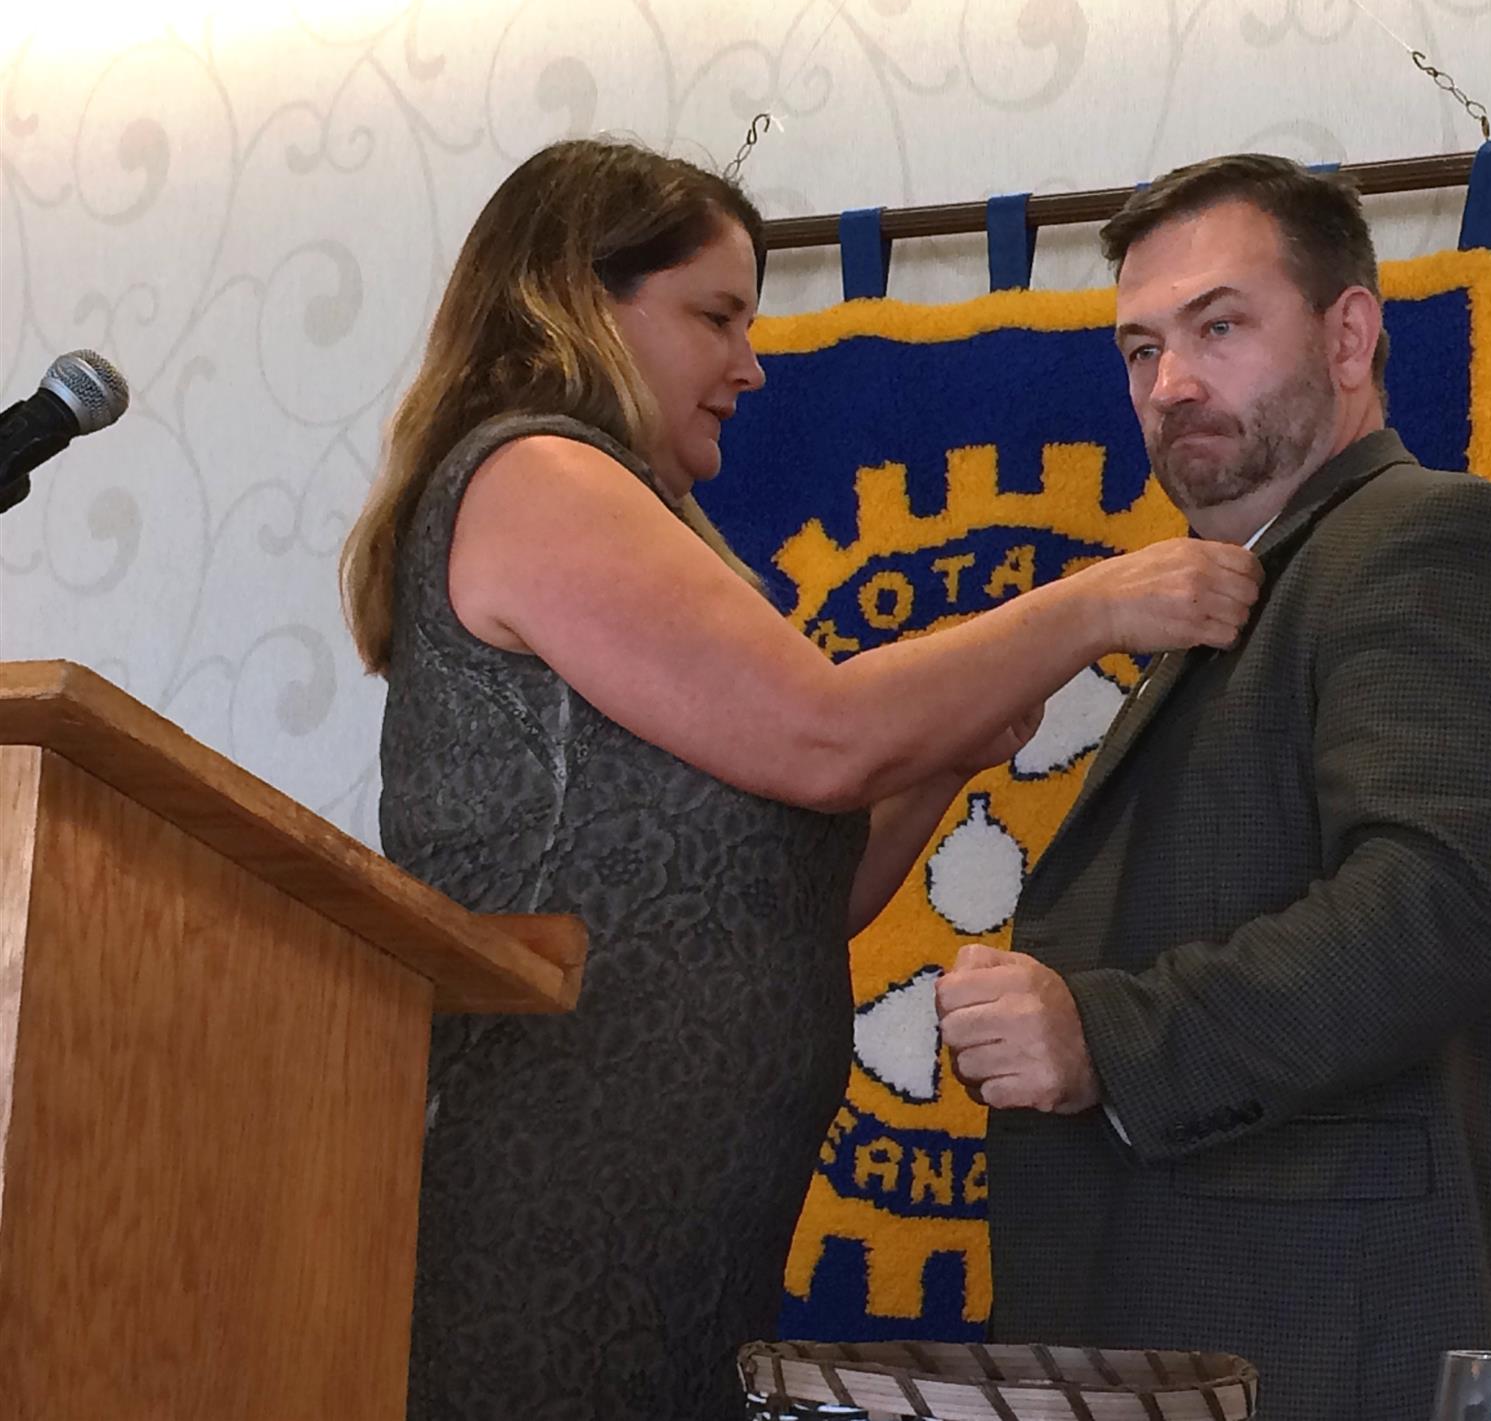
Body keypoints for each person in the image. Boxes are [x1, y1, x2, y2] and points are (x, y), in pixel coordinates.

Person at [336, 137, 1261, 1420]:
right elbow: (826, 739)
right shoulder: (535, 473)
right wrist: (1098, 601)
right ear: (580, 301)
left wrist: (946, 749)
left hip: (667, 1226)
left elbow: (794, 897)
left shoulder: (640, 510)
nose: (749, 365)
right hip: (542, 1182)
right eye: (715, 317)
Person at [935, 154, 1491, 1421]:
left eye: (1220, 328)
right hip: (1218, 1339)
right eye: (1142, 350)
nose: (1171, 384)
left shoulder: (1438, 540)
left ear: (1349, 336)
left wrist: (1104, 1038)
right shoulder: (1254, 585)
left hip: (1348, 1352)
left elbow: (1445, 906)